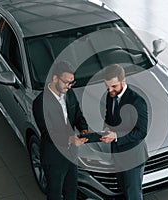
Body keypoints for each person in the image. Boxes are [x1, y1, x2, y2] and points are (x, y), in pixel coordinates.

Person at [33, 61, 89, 200]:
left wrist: (84, 128)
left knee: (71, 191)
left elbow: (77, 114)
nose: (69, 87)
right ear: (55, 78)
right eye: (66, 82)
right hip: (54, 157)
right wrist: (70, 139)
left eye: (72, 83)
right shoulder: (40, 103)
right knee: (55, 194)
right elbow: (48, 133)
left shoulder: (69, 94)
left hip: (71, 155)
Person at [100, 64, 148, 200]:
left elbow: (141, 132)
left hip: (133, 158)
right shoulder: (110, 95)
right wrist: (107, 128)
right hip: (118, 154)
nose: (110, 90)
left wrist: (116, 136)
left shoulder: (137, 101)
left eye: (113, 86)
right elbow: (109, 117)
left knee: (133, 195)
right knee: (124, 191)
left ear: (123, 81)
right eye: (107, 86)